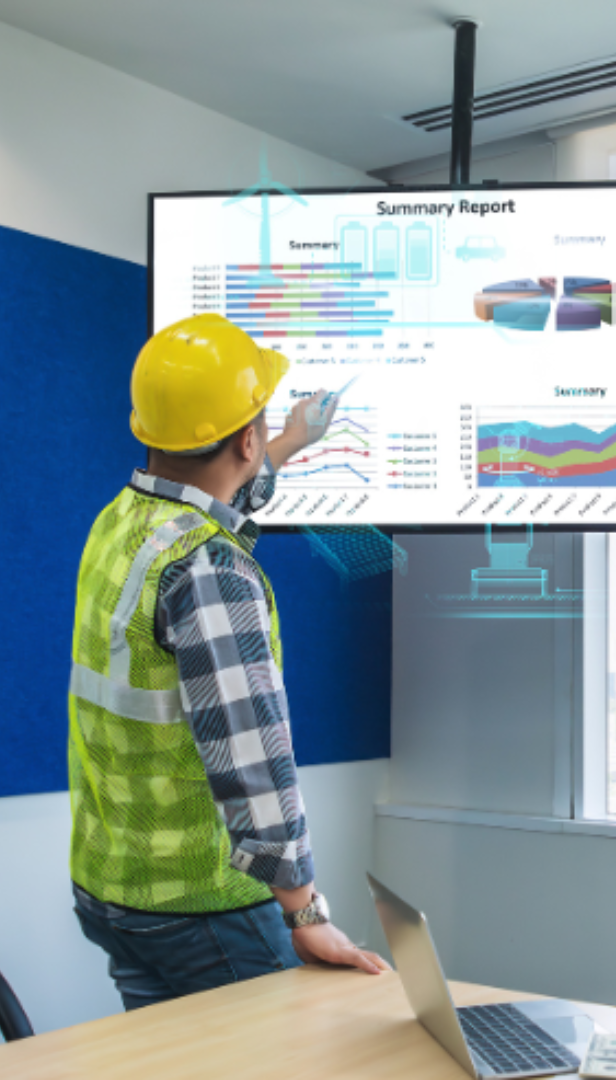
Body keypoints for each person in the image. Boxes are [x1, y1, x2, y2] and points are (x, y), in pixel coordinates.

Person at [68, 314, 389, 1009]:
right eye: (261, 429)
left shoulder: (122, 522)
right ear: (245, 438)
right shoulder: (211, 569)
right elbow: (253, 760)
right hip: (203, 905)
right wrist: (305, 912)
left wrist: (291, 439)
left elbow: (214, 489)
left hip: (116, 894)